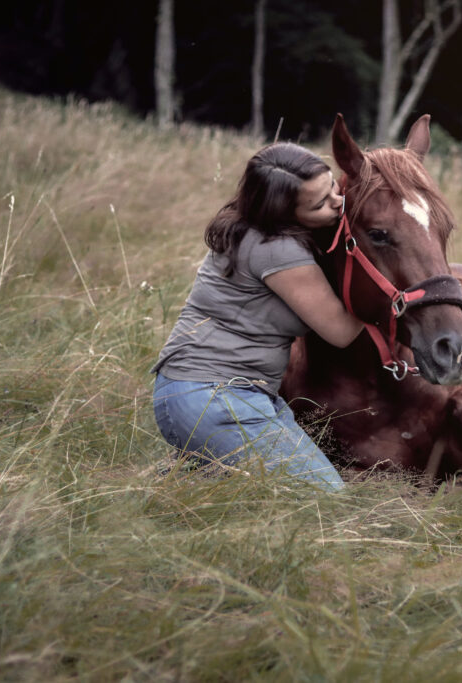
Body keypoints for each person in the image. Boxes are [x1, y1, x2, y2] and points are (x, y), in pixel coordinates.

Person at [151, 142, 364, 491]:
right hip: (213, 396)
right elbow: (340, 331)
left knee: (250, 496)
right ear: (283, 214)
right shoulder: (275, 248)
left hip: (210, 392)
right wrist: (389, 290)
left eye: (334, 188)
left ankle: (183, 483)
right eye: (320, 204)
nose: (338, 203)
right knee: (324, 501)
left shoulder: (248, 227)